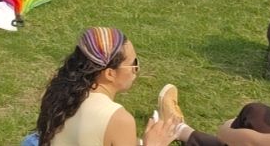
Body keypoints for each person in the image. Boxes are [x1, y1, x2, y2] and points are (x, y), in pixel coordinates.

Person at [35, 27, 182, 146]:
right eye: (133, 63)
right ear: (110, 73)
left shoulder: (60, 94)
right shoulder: (118, 119)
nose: (136, 69)